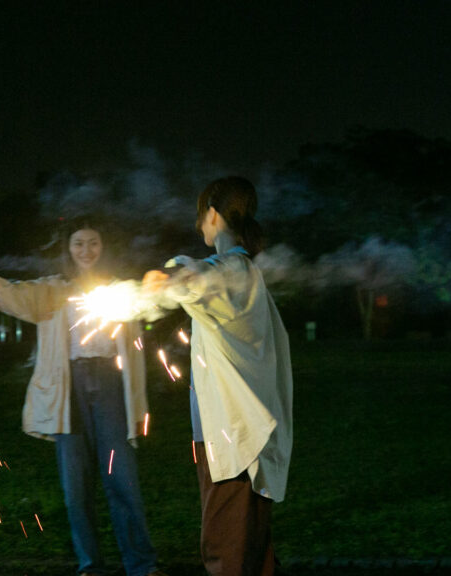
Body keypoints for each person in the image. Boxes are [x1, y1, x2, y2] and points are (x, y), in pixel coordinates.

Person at [0, 219, 164, 576]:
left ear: (104, 247)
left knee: (122, 480)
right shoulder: (53, 290)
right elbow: (18, 295)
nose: (86, 250)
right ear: (68, 248)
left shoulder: (122, 290)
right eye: (78, 243)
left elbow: (153, 305)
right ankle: (90, 565)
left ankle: (142, 565)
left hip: (111, 384)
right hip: (69, 388)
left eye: (93, 242)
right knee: (76, 487)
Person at [144, 176, 293, 576]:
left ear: (212, 214)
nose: (199, 226)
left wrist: (172, 276)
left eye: (201, 217)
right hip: (243, 433)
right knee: (252, 550)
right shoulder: (244, 271)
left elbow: (201, 278)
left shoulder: (233, 269)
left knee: (226, 550)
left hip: (230, 438)